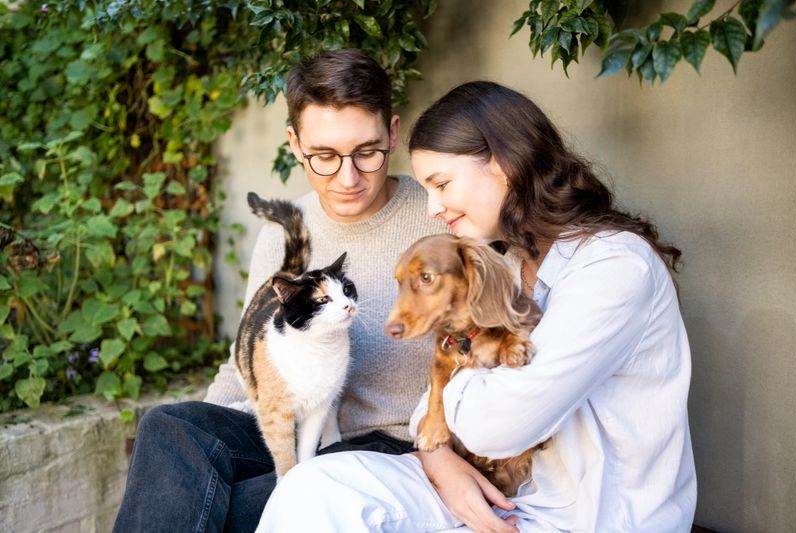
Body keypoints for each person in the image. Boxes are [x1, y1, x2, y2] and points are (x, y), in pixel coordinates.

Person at [257, 81, 697, 532]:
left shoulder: (614, 267)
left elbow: (497, 425)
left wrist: (447, 386)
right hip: (487, 487)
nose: (432, 207)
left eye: (442, 184)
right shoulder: (504, 260)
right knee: (313, 488)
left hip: (579, 518)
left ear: (504, 165)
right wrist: (438, 459)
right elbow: (426, 415)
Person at [112, 49, 444, 533]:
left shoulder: (439, 218)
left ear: (393, 133)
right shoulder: (284, 235)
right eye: (325, 156)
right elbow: (245, 359)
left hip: (383, 450)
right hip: (288, 428)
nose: (348, 178)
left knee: (242, 508)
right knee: (171, 428)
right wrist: (203, 444)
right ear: (294, 143)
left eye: (367, 152)